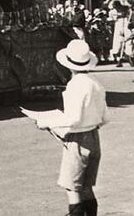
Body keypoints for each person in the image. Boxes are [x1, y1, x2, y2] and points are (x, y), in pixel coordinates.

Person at [34, 39, 107, 216]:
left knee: (72, 188)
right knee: (87, 187)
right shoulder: (95, 84)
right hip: (94, 137)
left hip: (77, 141)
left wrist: (47, 122)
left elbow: (73, 118)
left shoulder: (75, 85)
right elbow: (105, 117)